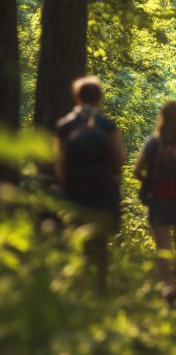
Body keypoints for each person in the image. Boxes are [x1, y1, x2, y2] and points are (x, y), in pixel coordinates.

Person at [54, 76, 125, 292]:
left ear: (76, 97)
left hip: (75, 190)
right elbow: (120, 158)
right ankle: (100, 287)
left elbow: (60, 162)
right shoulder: (105, 125)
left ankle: (78, 285)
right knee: (101, 241)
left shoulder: (65, 125)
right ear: (99, 98)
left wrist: (67, 184)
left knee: (76, 235)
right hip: (102, 189)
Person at [134, 101, 176, 300]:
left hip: (158, 198)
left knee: (163, 246)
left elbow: (137, 171)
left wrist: (150, 181)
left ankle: (167, 286)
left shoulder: (154, 142)